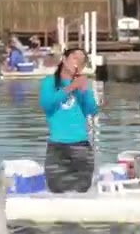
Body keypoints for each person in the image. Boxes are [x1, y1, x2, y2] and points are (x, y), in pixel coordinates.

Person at [38, 48, 99, 193]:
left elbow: (92, 110)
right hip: (57, 145)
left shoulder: (82, 85)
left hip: (81, 146)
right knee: (56, 189)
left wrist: (84, 91)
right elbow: (47, 105)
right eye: (74, 58)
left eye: (82, 60)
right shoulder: (50, 82)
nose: (78, 62)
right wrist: (70, 87)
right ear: (64, 60)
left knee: (82, 189)